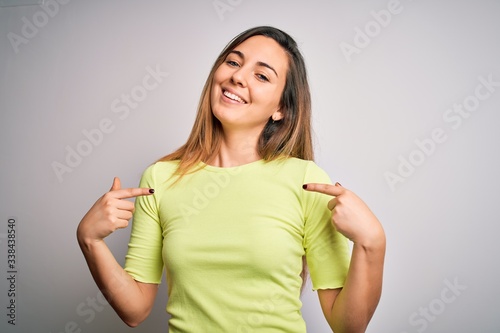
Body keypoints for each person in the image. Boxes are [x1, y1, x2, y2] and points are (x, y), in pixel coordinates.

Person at [77, 26, 386, 332]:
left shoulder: (305, 180)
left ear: (281, 109)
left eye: (262, 75)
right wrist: (90, 241)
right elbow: (135, 310)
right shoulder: (161, 177)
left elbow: (347, 326)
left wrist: (372, 242)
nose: (238, 77)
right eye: (234, 62)